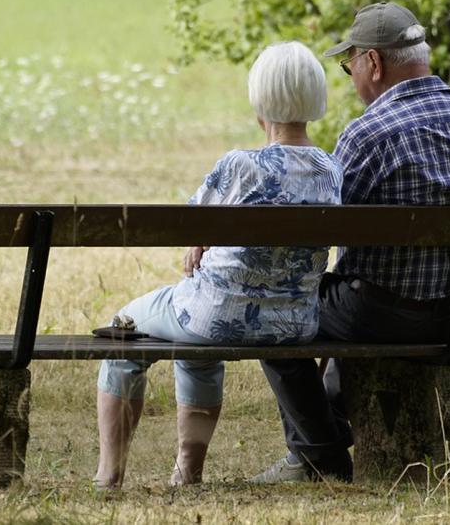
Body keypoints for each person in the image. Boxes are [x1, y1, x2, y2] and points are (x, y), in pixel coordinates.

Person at [250, 2, 450, 484]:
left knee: (274, 310)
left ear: (373, 63)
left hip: (379, 314)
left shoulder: (367, 134)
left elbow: (324, 230)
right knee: (352, 295)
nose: (351, 78)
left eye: (349, 67)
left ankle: (319, 455)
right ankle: (325, 435)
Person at [94, 41, 344, 489]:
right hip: (294, 325)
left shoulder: (240, 166)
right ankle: (186, 472)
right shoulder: (331, 170)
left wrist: (200, 240)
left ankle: (109, 475)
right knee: (196, 340)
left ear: (260, 100)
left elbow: (188, 224)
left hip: (215, 316)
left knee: (124, 328)